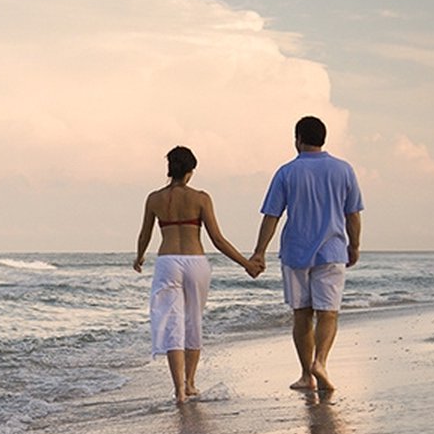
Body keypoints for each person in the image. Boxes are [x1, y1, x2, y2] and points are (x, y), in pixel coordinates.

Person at [135, 146, 260, 403]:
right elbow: (217, 239)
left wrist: (139, 257)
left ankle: (179, 390)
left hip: (167, 261)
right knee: (193, 321)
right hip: (195, 262)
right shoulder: (201, 198)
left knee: (173, 324)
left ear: (169, 169)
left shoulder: (154, 198)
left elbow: (145, 234)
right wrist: (245, 263)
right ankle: (190, 382)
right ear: (191, 172)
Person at [250, 116, 364, 394]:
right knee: (328, 314)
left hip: (295, 252)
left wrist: (259, 252)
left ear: (298, 139)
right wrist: (354, 245)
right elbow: (353, 215)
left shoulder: (287, 172)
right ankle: (321, 362)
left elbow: (272, 216)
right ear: (323, 139)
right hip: (333, 250)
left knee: (302, 314)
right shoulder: (343, 170)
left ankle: (306, 375)